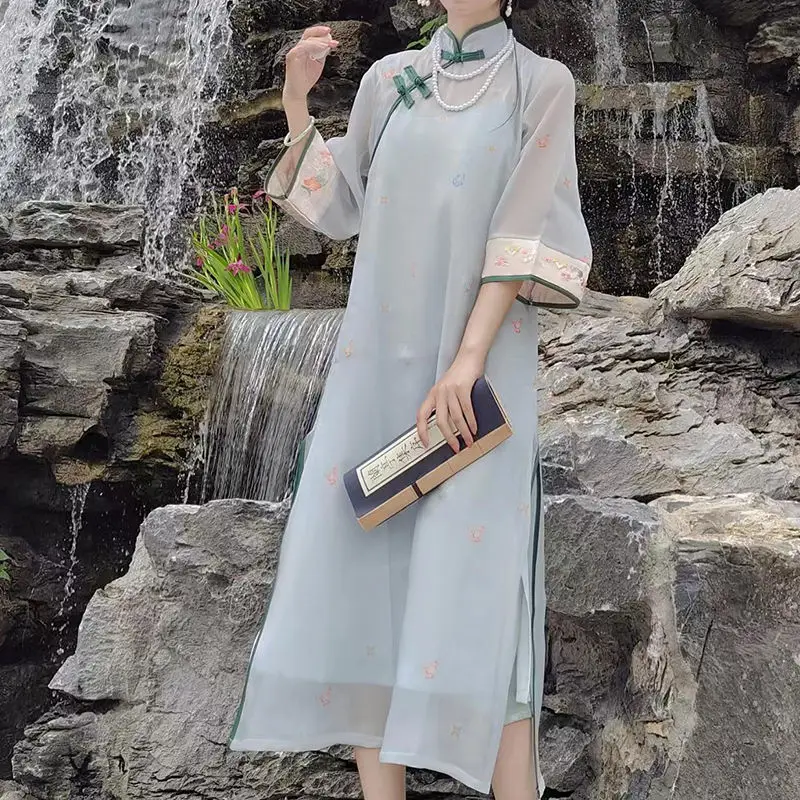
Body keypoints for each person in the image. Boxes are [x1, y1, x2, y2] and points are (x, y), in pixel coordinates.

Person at [227, 0, 592, 797]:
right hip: (375, 371)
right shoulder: (390, 82)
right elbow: (339, 204)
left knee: (482, 588)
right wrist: (295, 103)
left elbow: (522, 234)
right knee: (364, 584)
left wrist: (466, 361)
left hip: (476, 381)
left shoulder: (540, 84)